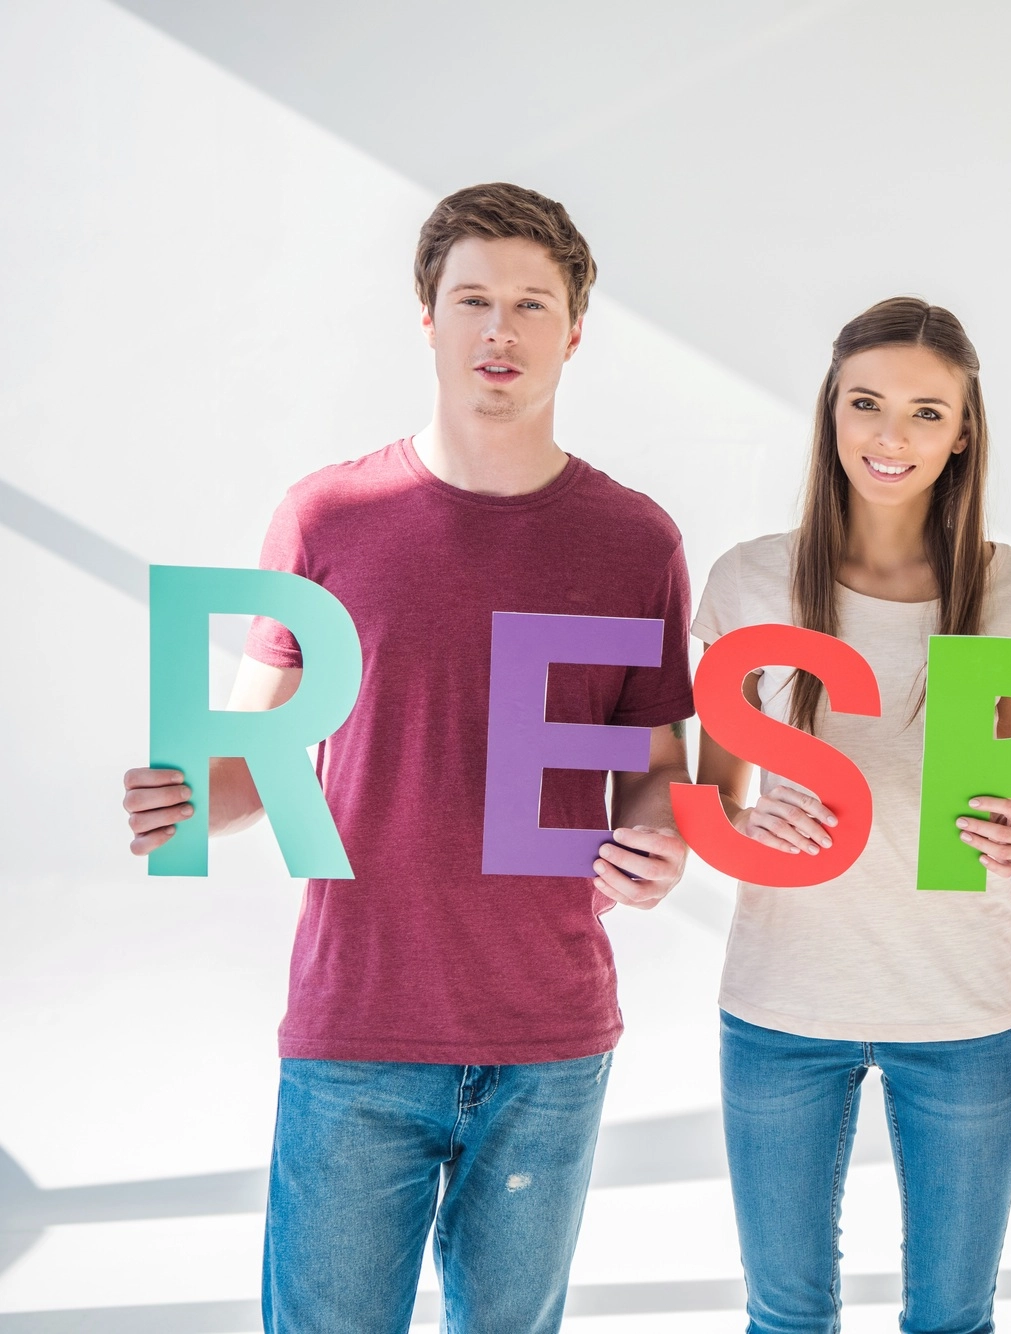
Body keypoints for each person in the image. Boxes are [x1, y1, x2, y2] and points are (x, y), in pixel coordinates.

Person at [119, 183, 697, 1332]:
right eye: (472, 297)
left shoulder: (636, 539)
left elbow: (653, 762)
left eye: (532, 303)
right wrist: (178, 796)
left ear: (575, 331)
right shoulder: (328, 516)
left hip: (548, 1032)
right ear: (424, 318)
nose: (501, 329)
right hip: (357, 1027)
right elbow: (251, 758)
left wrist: (662, 836)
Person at [690, 297, 1011, 1334]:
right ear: (829, 411)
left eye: (923, 412)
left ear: (962, 432)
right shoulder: (750, 579)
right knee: (785, 1314)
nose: (889, 438)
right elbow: (711, 794)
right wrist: (741, 822)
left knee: (951, 1316)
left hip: (962, 1007)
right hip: (780, 1004)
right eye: (865, 403)